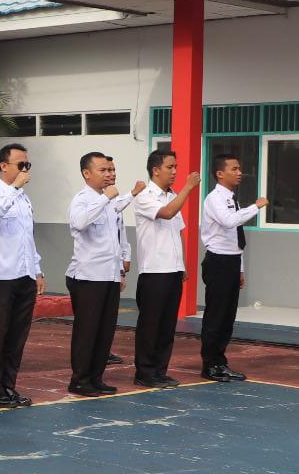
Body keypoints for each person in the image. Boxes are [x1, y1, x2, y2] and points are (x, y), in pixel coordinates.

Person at [65, 153, 143, 397]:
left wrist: (120, 269)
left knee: (105, 330)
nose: (110, 174)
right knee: (87, 331)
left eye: (112, 170)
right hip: (88, 276)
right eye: (104, 170)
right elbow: (79, 223)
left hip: (109, 275)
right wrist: (105, 199)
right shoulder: (83, 199)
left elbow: (117, 235)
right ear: (87, 173)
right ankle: (80, 380)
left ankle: (96, 377)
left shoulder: (111, 201)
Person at [0, 143, 44, 408]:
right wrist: (15, 188)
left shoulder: (24, 199)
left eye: (27, 165)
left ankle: (9, 386)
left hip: (24, 273)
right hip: (1, 275)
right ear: (4, 166)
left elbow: (28, 238)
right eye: (21, 164)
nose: (25, 169)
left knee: (17, 336)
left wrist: (37, 269)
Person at [132, 150, 201, 388]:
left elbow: (178, 232)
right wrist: (188, 188)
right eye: (170, 167)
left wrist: (182, 264)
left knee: (167, 325)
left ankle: (160, 370)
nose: (174, 172)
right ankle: (144, 372)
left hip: (172, 268)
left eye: (175, 167)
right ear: (155, 170)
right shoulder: (145, 196)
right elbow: (167, 213)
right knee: (150, 325)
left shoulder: (171, 195)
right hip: (154, 270)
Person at [198, 154, 266, 382]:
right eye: (234, 169)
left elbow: (235, 239)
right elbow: (229, 221)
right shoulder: (214, 198)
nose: (239, 173)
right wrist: (255, 207)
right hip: (218, 262)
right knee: (216, 315)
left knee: (227, 317)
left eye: (239, 169)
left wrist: (240, 269)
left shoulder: (231, 198)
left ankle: (220, 362)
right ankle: (209, 365)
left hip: (231, 261)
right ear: (220, 174)